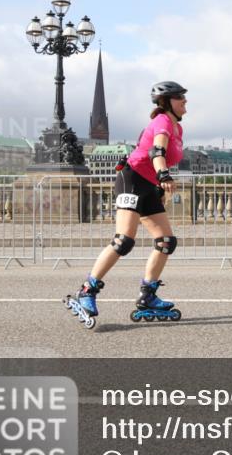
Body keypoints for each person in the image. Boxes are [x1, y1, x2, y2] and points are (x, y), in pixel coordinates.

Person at [69, 81, 187, 323]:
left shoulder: (178, 128)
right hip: (132, 178)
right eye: (179, 98)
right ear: (166, 102)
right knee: (124, 241)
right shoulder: (163, 121)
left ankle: (148, 295)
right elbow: (157, 151)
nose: (185, 101)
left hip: (149, 184)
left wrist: (158, 182)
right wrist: (163, 174)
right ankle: (87, 290)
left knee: (166, 241)